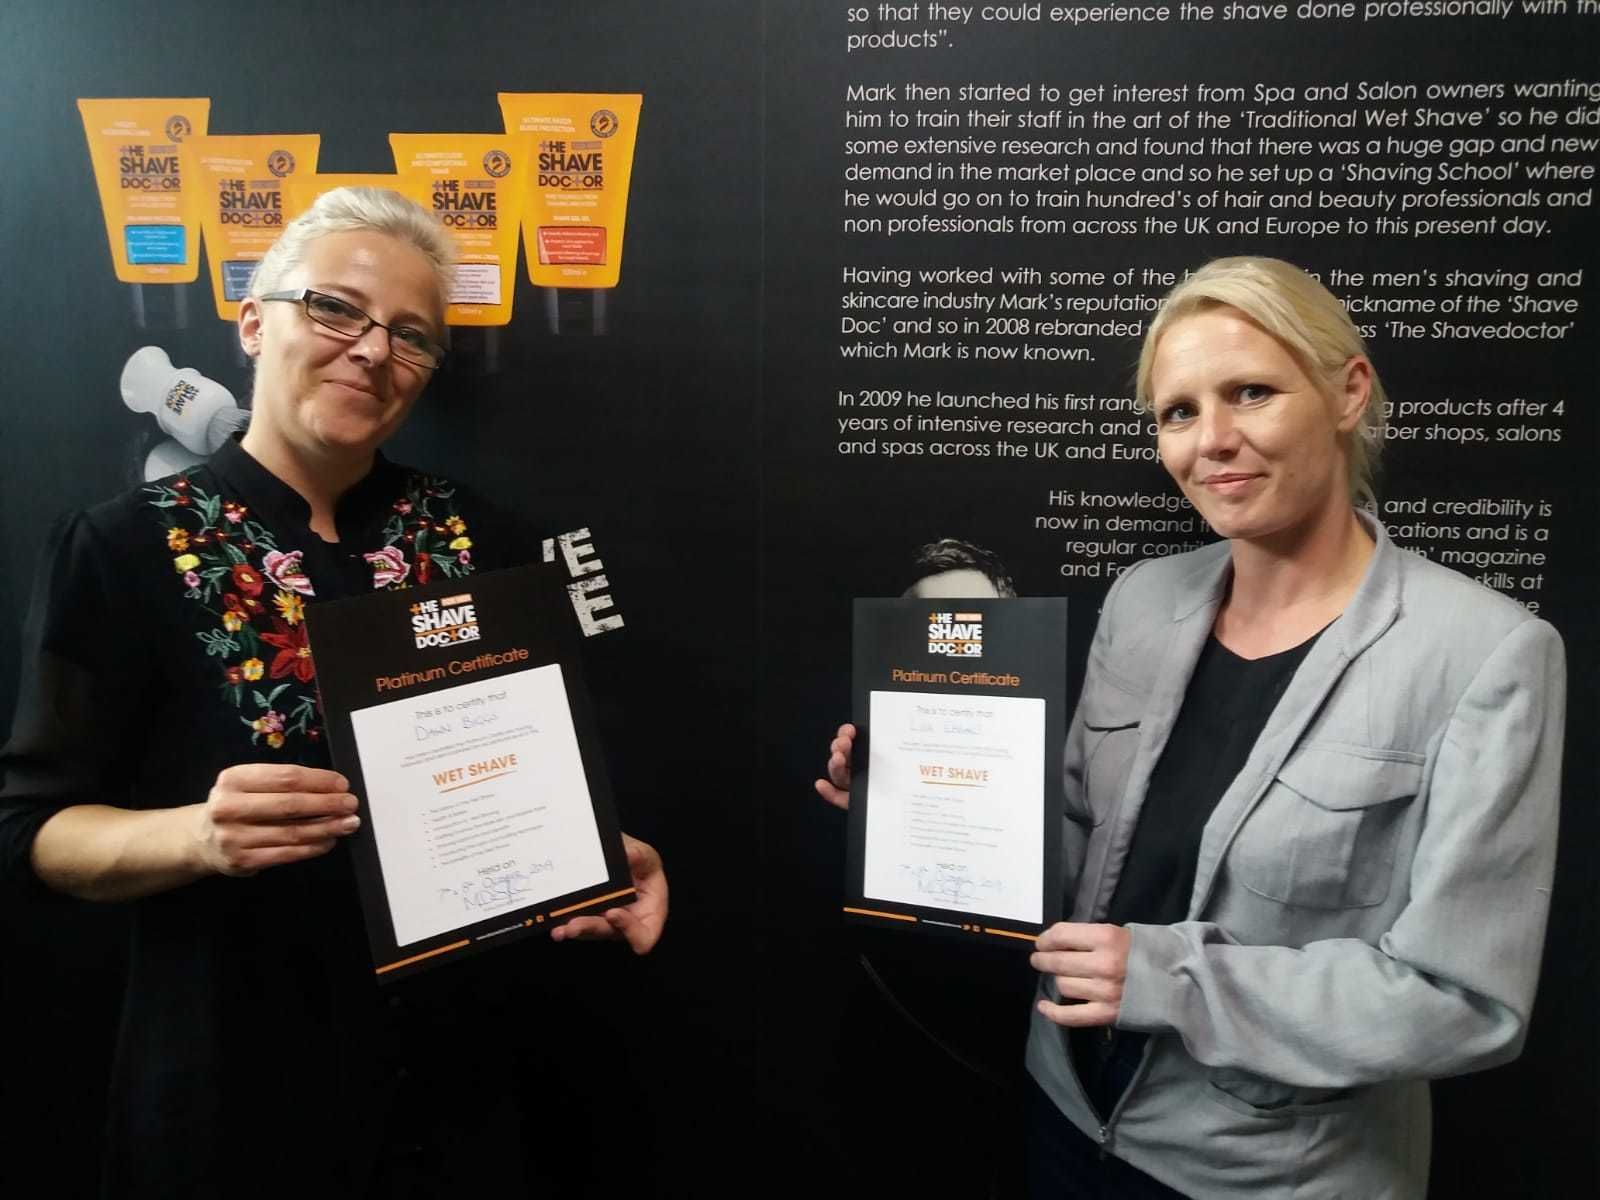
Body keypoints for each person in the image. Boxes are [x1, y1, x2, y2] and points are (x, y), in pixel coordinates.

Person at [817, 256, 1564, 1198]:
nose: (1212, 441)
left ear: (1347, 392)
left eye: (1251, 393)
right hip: (1064, 1111)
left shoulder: (1486, 652)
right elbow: (1078, 848)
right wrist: (921, 812)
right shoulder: (1143, 599)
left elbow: (1465, 1002)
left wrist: (1171, 979)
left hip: (1266, 1173)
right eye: (1178, 412)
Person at [0, 187, 668, 1198]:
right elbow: (33, 830)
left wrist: (595, 864)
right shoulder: (120, 546)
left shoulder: (483, 538)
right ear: (252, 322)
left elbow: (514, 788)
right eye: (335, 309)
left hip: (461, 1087)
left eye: (411, 335)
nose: (372, 350)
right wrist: (196, 837)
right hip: (232, 1089)